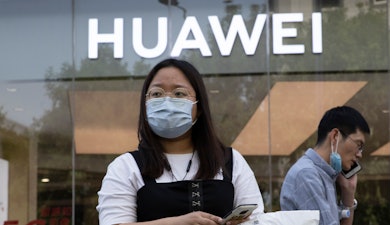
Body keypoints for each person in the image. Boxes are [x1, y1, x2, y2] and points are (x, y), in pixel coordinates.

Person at [96, 58, 264, 225]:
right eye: (156, 94)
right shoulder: (126, 167)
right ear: (145, 105)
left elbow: (257, 220)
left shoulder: (231, 162)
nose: (167, 101)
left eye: (179, 94)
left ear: (199, 109)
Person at [280, 106, 370, 225]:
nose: (359, 155)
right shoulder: (307, 174)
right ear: (335, 136)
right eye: (358, 145)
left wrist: (348, 192)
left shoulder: (325, 174)